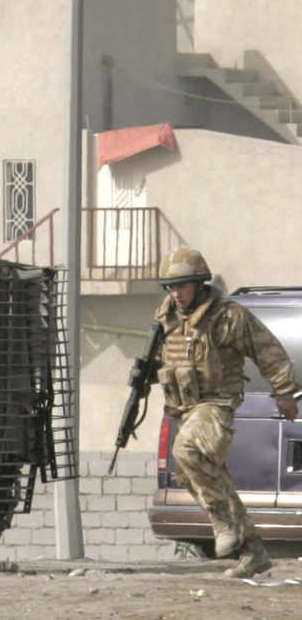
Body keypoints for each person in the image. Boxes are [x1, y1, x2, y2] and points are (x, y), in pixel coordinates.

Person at [152, 246, 300, 578]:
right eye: (171, 287)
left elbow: (268, 349)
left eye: (183, 286)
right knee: (201, 476)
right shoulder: (166, 317)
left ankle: (220, 518)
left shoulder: (227, 316)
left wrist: (284, 391)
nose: (176, 293)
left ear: (200, 284)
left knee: (187, 450)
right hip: (184, 409)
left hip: (217, 404)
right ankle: (253, 552)